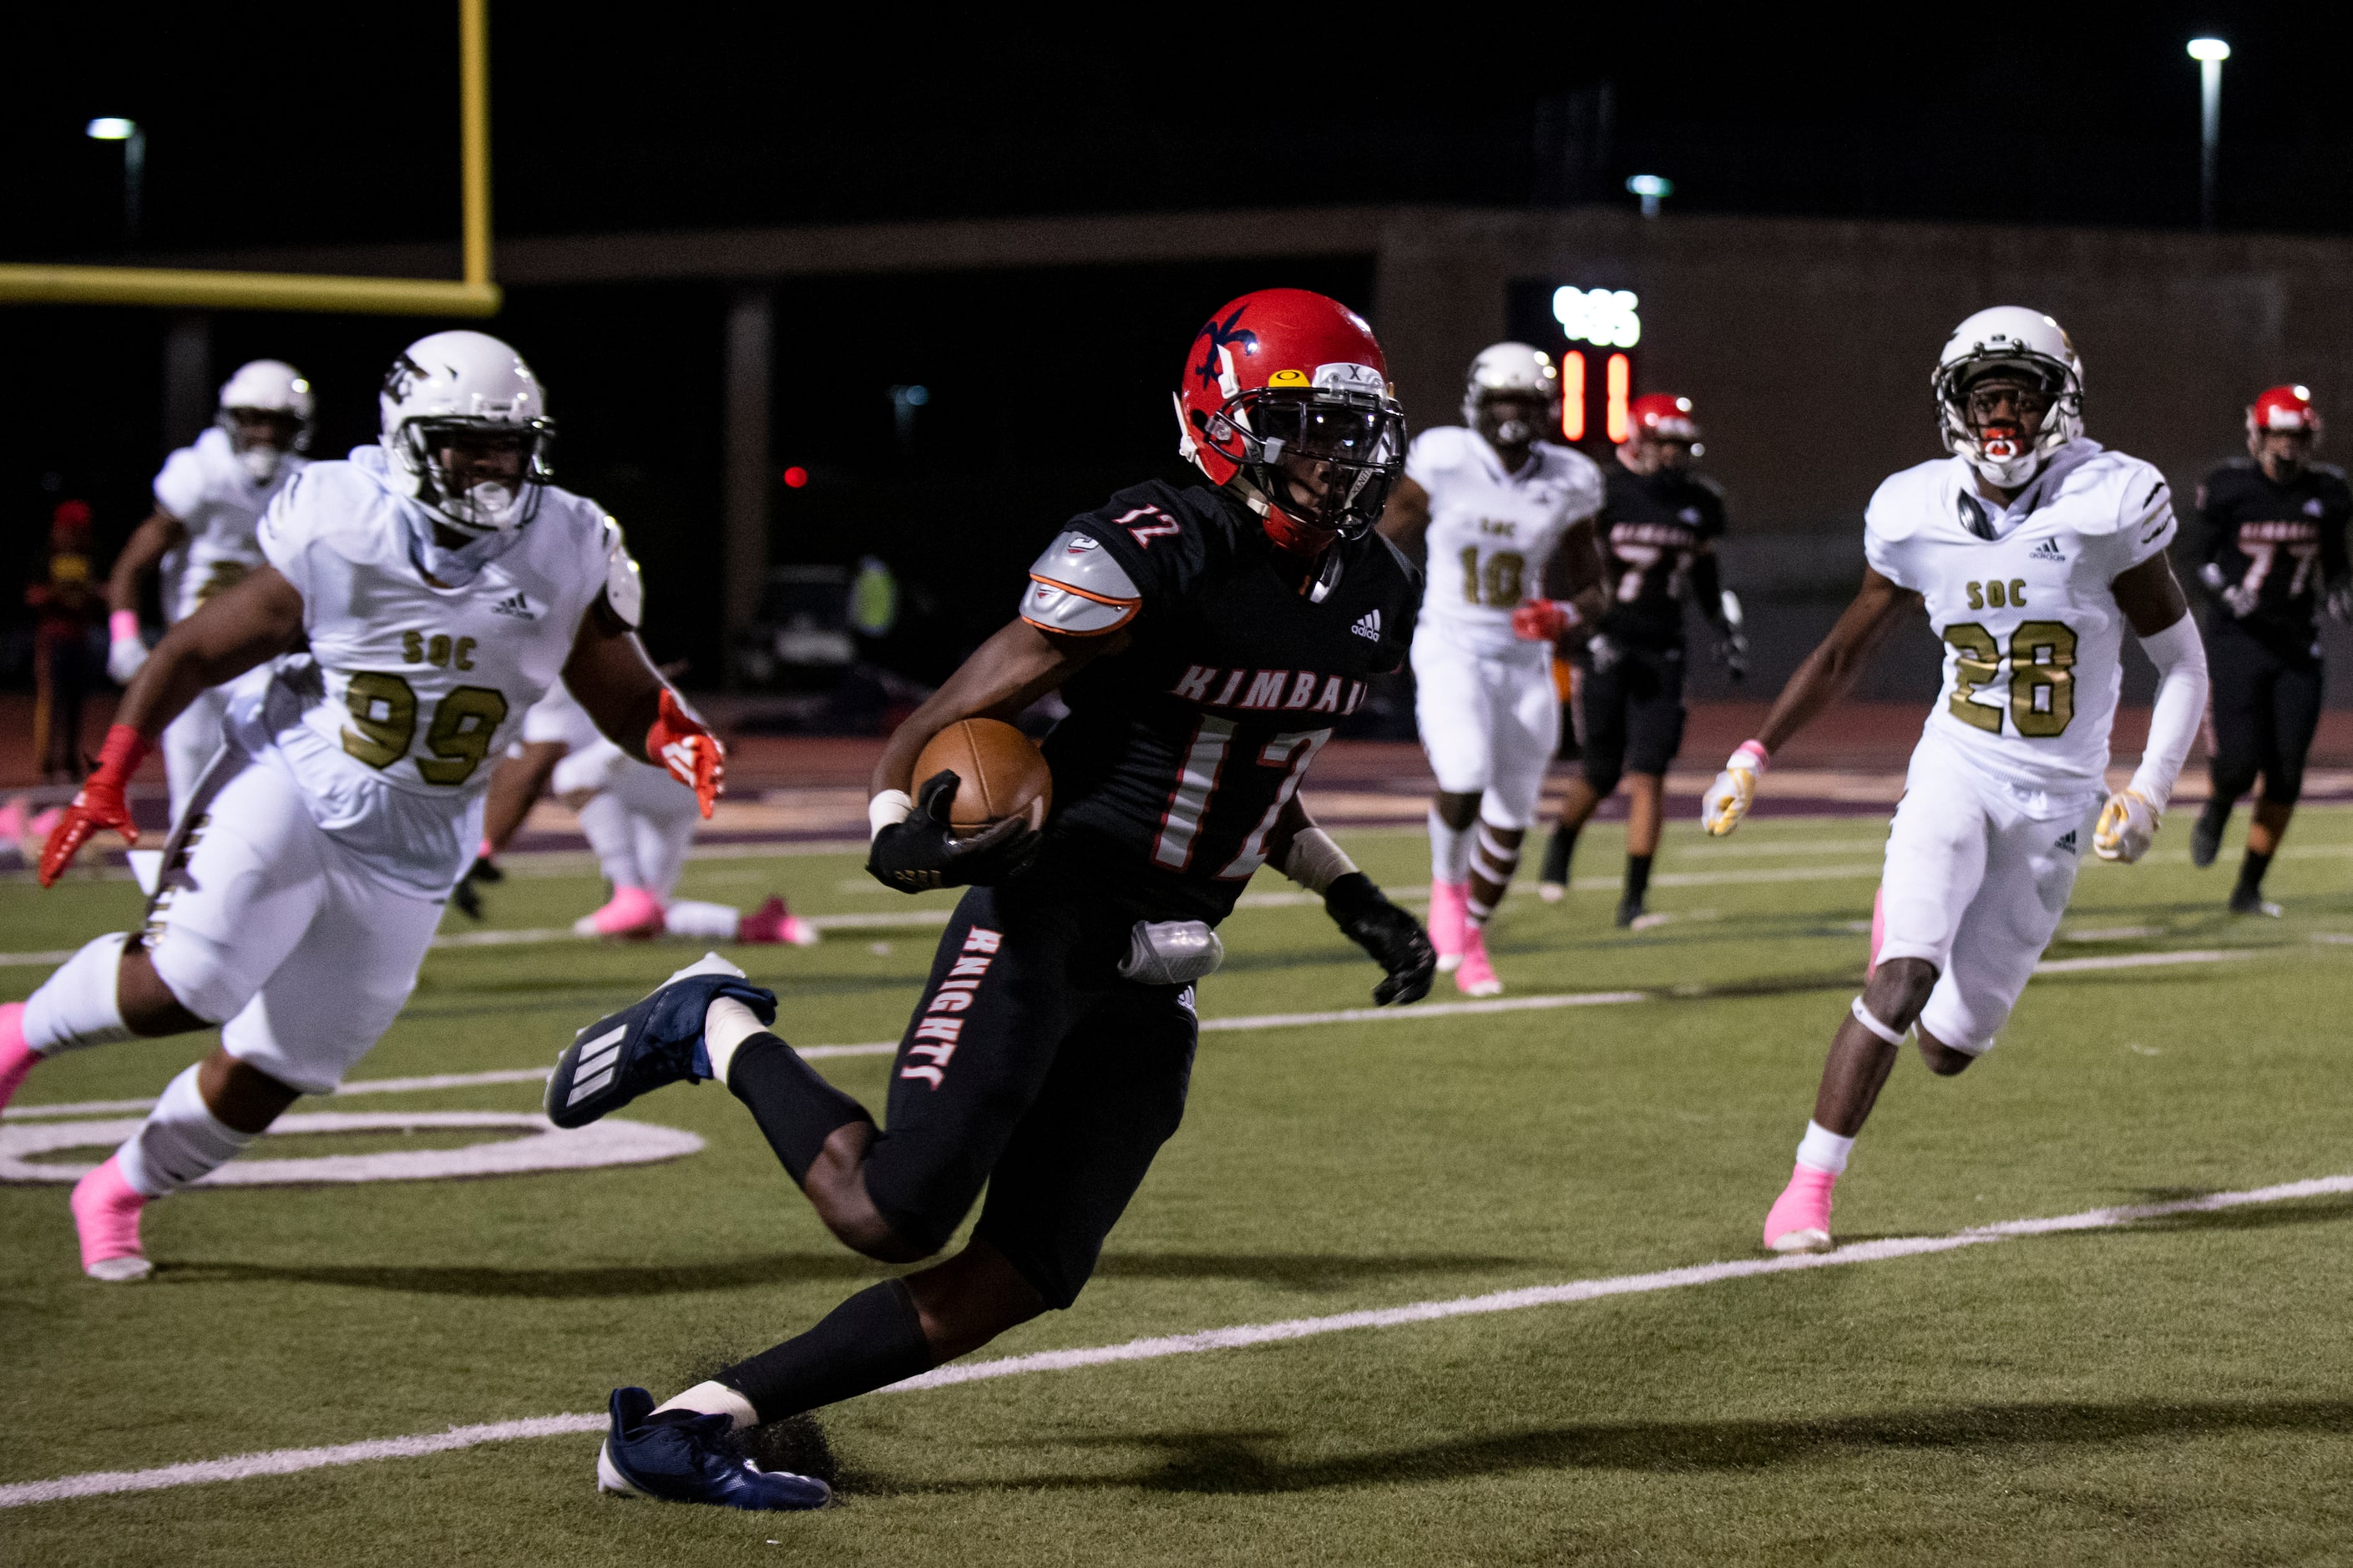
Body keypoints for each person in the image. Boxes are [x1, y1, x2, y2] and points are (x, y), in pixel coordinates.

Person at [548, 289, 1436, 1512]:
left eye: (1351, 431)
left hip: (1160, 959)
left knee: (1035, 1262)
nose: (1335, 460)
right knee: (892, 1208)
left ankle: (700, 1421)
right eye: (1305, 427)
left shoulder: (1374, 588)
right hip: (1051, 910)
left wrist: (1351, 893)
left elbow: (1253, 767)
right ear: (1221, 421)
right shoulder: (1150, 542)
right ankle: (712, 1024)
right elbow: (940, 723)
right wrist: (889, 824)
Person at [0, 331, 725, 1283]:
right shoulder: (344, 521)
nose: (492, 467)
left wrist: (677, 735)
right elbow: (194, 651)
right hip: (296, 779)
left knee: (288, 1063)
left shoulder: (566, 542)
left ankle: (120, 1189)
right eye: (468, 444)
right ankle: (20, 1033)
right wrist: (111, 774)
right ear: (408, 436)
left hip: (420, 840)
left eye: (507, 446)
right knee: (187, 983)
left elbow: (622, 695)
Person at [1703, 307, 2208, 1254]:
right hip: (1957, 767)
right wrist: (1753, 753)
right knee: (1899, 981)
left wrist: (2145, 792)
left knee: (1945, 1049)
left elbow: (2182, 666)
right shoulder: (1914, 510)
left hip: (2055, 803)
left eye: (2020, 393)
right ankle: (1806, 1191)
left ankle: (1916, 940)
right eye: (1985, 397)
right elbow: (1848, 650)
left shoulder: (2108, 503)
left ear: (2062, 401)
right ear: (1953, 409)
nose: (2002, 414)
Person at [1376, 343, 1603, 994]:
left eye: (1527, 402)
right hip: (1452, 643)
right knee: (1465, 771)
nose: (1514, 415)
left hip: (1524, 659)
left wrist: (1560, 614)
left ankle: (1471, 933)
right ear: (1479, 402)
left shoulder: (1571, 477)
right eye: (1504, 400)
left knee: (1512, 816)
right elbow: (1385, 539)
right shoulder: (1445, 458)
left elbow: (1595, 591)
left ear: (1547, 409)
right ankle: (1447, 892)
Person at [1534, 394, 1746, 925]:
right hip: (1606, 642)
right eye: (1665, 443)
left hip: (1663, 648)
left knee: (1650, 771)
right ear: (1639, 439)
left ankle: (1633, 901)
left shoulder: (1700, 500)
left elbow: (1703, 576)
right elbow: (1573, 565)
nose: (1674, 455)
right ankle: (1561, 843)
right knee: (1602, 771)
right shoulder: (1605, 490)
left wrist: (1723, 629)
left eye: (1680, 445)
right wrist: (1581, 627)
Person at [107, 361, 316, 824]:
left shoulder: (308, 487)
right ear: (232, 422)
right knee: (190, 801)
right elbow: (132, 564)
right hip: (192, 654)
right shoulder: (202, 474)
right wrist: (124, 636)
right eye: (254, 420)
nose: (265, 433)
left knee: (268, 796)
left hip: (262, 660)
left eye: (279, 423)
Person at [465, 676, 816, 945]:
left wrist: (485, 848)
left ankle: (629, 890)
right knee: (641, 925)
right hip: (667, 773)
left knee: (571, 777)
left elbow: (532, 770)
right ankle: (761, 926)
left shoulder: (551, 674)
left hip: (666, 759)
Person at [2188, 384, 2352, 915]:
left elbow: (2337, 562)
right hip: (2239, 641)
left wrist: (2340, 591)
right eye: (2279, 436)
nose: (2287, 449)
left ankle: (2249, 889)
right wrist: (2223, 590)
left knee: (2286, 771)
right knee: (2237, 766)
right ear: (2258, 436)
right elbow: (2193, 554)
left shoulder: (2329, 492)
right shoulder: (2228, 487)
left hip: (2297, 645)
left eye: (2297, 438)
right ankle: (2216, 807)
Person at [28, 501, 107, 781]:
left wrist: (92, 595)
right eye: (69, 529)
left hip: (80, 639)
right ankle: (46, 764)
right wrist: (56, 595)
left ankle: (70, 760)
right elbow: (32, 595)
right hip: (53, 639)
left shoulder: (90, 557)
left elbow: (104, 592)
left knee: (76, 703)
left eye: (80, 530)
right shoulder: (46, 555)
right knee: (51, 703)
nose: (74, 535)